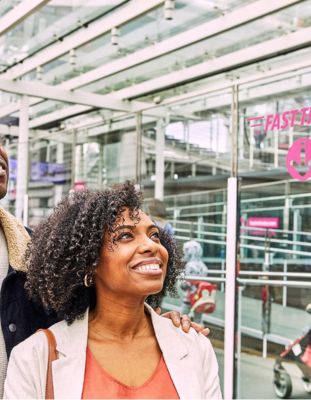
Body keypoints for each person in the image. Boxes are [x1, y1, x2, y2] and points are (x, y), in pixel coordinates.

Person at [0, 144, 207, 397]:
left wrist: (165, 328)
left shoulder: (194, 346)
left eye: (154, 235)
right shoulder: (34, 357)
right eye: (125, 236)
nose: (151, 246)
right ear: (87, 263)